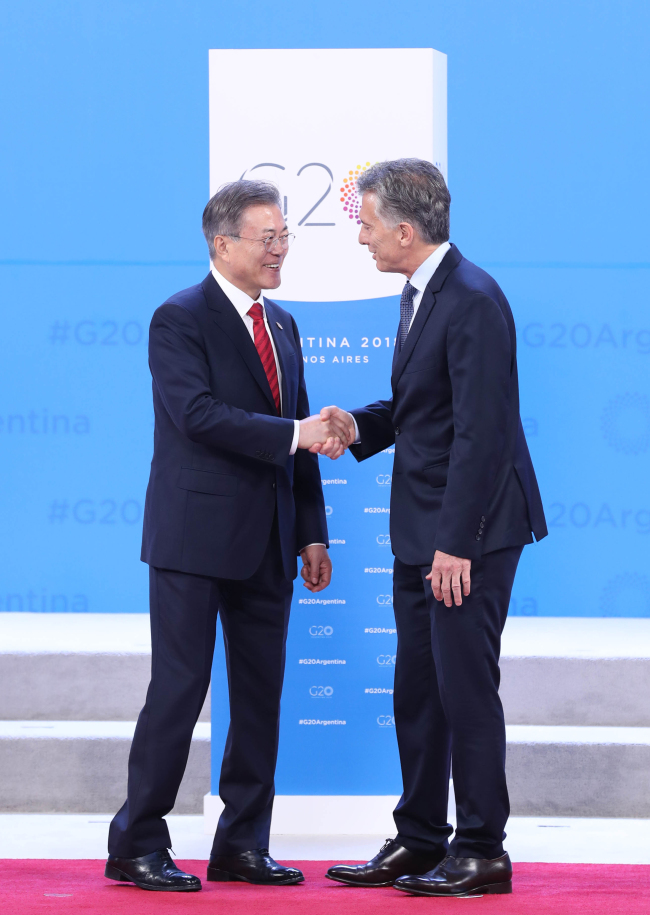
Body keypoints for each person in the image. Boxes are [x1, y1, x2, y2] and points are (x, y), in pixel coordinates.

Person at [106, 180, 349, 892]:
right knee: (178, 689)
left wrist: (313, 532)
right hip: (193, 539)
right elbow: (198, 416)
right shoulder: (178, 318)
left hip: (271, 541)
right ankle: (137, 842)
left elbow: (298, 441)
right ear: (222, 243)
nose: (280, 249)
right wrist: (296, 433)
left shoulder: (283, 325)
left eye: (284, 238)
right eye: (267, 237)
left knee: (259, 694)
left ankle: (241, 842)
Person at [320, 159, 547, 897]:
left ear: (407, 231)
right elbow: (422, 408)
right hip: (424, 530)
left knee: (463, 688)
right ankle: (421, 837)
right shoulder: (422, 294)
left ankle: (482, 848)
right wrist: (358, 425)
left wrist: (459, 541)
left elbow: (482, 434)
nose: (362, 238)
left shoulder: (474, 299)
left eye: (368, 224)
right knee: (417, 688)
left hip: (466, 534)